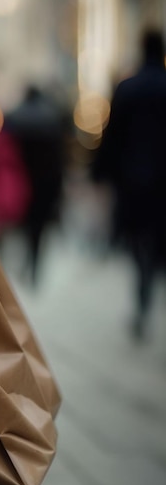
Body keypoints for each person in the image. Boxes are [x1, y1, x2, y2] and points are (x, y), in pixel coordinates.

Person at [92, 28, 166, 340]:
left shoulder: (128, 87)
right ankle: (151, 284)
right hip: (163, 180)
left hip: (133, 178)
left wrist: (101, 172)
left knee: (137, 239)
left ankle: (143, 293)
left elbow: (113, 136)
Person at [5, 85, 67, 286]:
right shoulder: (51, 118)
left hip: (21, 181)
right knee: (39, 228)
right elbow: (59, 159)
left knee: (25, 226)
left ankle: (27, 262)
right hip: (46, 184)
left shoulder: (15, 118)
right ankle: (34, 265)